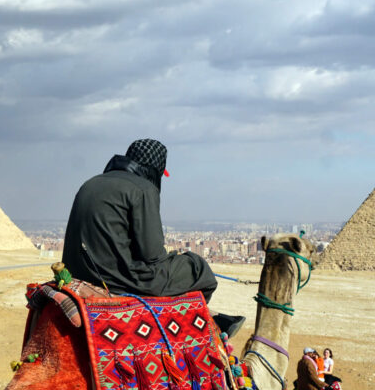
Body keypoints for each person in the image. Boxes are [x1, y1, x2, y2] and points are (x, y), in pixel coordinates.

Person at [60, 139, 244, 337]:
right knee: (198, 269)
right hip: (118, 279)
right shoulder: (143, 189)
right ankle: (190, 324)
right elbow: (152, 254)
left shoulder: (91, 183)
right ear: (156, 169)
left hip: (79, 272)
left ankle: (208, 316)